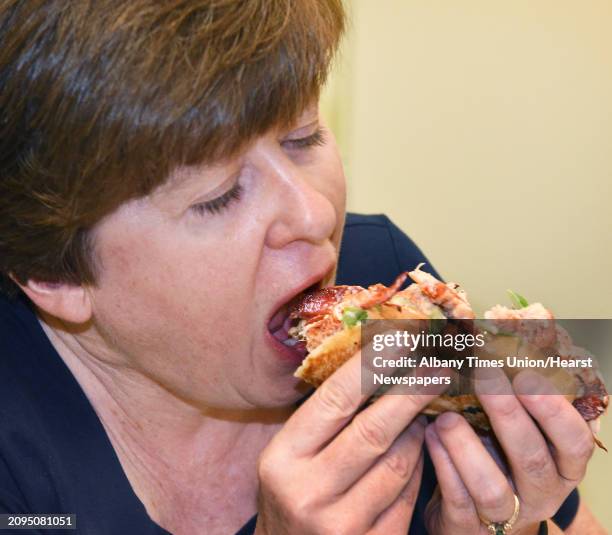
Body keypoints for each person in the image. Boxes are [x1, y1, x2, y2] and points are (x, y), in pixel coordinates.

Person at [0, 1, 605, 534]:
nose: (315, 214)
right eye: (218, 194)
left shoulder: (381, 268)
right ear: (57, 275)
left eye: (306, 137)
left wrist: (513, 530)